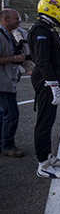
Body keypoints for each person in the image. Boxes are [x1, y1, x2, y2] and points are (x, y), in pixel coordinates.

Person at [28, 0, 60, 178]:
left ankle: (48, 155)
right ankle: (43, 164)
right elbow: (43, 60)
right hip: (46, 81)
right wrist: (53, 85)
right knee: (44, 121)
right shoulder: (40, 29)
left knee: (49, 120)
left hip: (50, 80)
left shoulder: (47, 28)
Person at [0, 9, 27, 158]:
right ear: (6, 19)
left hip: (7, 81)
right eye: (16, 19)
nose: (19, 21)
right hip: (2, 83)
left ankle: (2, 143)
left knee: (3, 114)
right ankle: (8, 146)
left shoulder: (8, 35)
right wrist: (15, 59)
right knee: (11, 114)